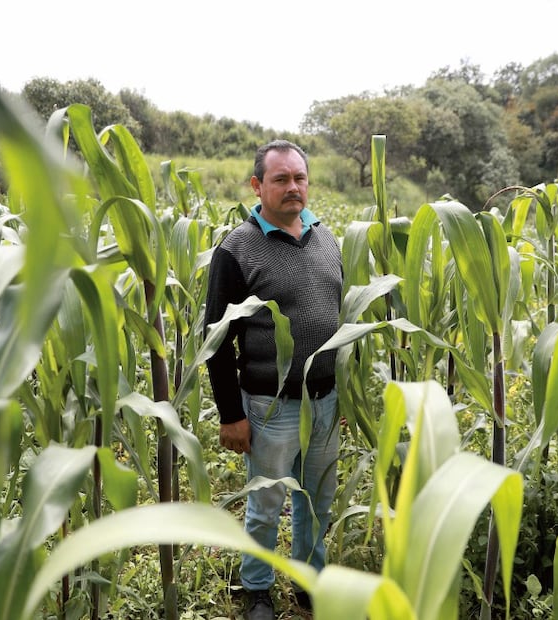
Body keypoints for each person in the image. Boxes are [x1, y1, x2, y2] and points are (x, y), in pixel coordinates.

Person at [204, 139, 343, 620]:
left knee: (316, 502)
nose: (292, 188)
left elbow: (340, 317)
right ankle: (256, 589)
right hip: (269, 405)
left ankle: (309, 582)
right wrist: (231, 415)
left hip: (325, 402)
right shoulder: (237, 249)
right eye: (280, 179)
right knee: (266, 505)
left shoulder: (327, 239)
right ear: (257, 185)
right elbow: (216, 339)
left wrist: (343, 399)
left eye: (299, 178)